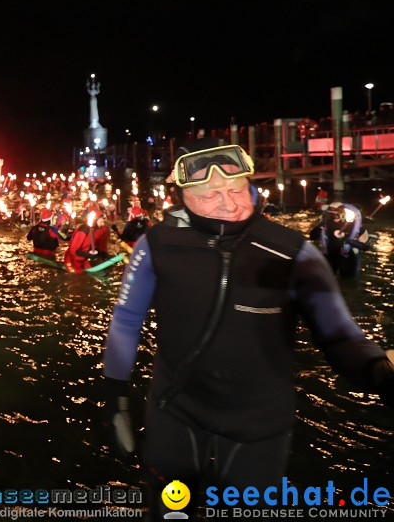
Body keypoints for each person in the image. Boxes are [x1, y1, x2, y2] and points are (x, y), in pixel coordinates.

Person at [100, 141, 393, 517]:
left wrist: (379, 372)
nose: (228, 204)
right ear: (182, 197)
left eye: (236, 190)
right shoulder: (156, 245)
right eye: (209, 195)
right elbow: (126, 321)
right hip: (176, 410)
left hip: (259, 421)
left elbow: (339, 334)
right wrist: (114, 399)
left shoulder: (291, 250)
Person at [309, 201, 372, 279]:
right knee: (327, 279)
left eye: (337, 214)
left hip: (347, 256)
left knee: (348, 281)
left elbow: (365, 245)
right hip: (330, 255)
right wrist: (321, 225)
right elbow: (312, 236)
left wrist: (349, 241)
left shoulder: (352, 224)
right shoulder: (326, 223)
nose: (335, 217)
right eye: (332, 214)